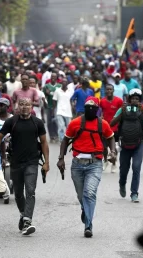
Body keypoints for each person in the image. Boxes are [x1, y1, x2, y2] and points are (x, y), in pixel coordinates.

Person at [57, 96, 116, 238]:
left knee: (89, 193)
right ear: (84, 108)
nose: (90, 110)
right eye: (88, 107)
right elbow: (65, 140)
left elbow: (111, 137)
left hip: (95, 163)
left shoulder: (103, 124)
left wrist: (112, 152)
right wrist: (61, 158)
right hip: (77, 164)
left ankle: (88, 225)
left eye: (93, 107)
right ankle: (85, 209)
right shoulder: (75, 123)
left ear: (97, 109)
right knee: (81, 194)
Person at [0, 98, 49, 235]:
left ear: (31, 107)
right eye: (22, 104)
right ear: (18, 107)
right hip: (16, 163)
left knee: (30, 191)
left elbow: (43, 142)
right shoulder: (12, 121)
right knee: (18, 194)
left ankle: (27, 221)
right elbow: (0, 136)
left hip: (32, 162)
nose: (24, 107)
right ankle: (23, 214)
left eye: (27, 105)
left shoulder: (37, 123)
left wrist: (47, 162)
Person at [111, 89, 143, 202]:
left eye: (137, 99)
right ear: (129, 99)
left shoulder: (142, 111)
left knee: (136, 168)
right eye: (133, 98)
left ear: (140, 100)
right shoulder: (122, 110)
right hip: (125, 144)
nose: (135, 101)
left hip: (138, 144)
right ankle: (122, 184)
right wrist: (121, 112)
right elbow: (111, 123)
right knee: (123, 170)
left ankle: (134, 193)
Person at [100, 84, 123, 173]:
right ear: (105, 91)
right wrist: (100, 117)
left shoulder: (119, 101)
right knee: (104, 148)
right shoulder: (102, 101)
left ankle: (113, 163)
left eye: (110, 89)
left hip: (115, 129)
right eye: (107, 89)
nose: (109, 91)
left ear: (113, 91)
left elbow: (122, 113)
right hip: (105, 128)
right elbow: (99, 112)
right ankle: (105, 160)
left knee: (114, 148)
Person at [53, 77, 73, 142]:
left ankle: (68, 138)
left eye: (65, 82)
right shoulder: (57, 90)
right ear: (61, 83)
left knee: (69, 126)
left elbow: (71, 100)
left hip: (68, 111)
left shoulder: (70, 91)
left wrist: (72, 108)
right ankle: (62, 139)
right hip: (59, 110)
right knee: (61, 126)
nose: (64, 83)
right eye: (63, 81)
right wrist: (54, 110)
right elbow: (54, 101)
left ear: (67, 83)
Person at [43, 73, 61, 142]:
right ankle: (51, 136)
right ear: (50, 77)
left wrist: (50, 93)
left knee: (56, 121)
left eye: (55, 76)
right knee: (49, 122)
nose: (53, 77)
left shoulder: (59, 86)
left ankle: (56, 135)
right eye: (52, 76)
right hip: (49, 106)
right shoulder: (46, 86)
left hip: (57, 107)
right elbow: (43, 96)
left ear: (57, 78)